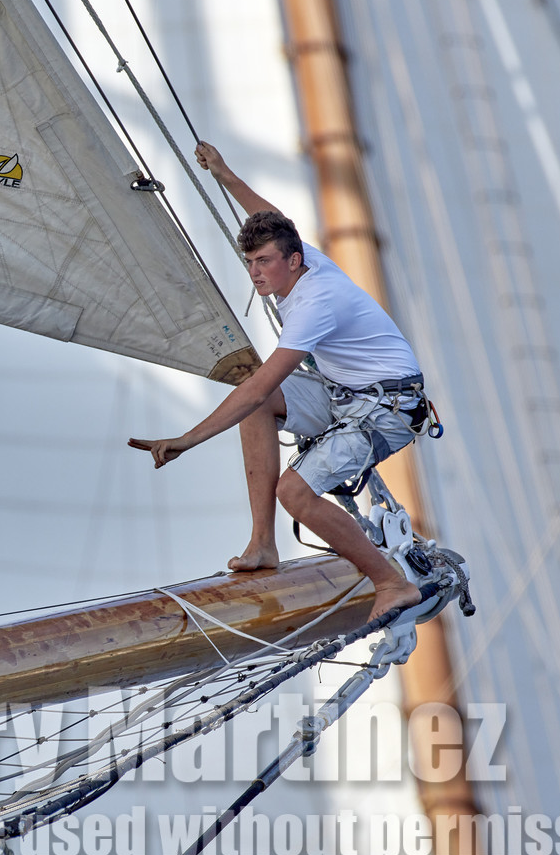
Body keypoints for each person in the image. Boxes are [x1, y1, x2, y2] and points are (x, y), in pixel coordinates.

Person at [130, 142, 428, 620]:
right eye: (249, 263)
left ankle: (391, 583)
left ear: (292, 261)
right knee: (261, 402)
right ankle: (262, 544)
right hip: (342, 393)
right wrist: (224, 174)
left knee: (293, 489)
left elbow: (255, 385)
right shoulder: (300, 258)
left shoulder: (315, 303)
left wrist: (188, 440)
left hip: (386, 410)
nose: (255, 273)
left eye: (264, 262)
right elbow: (270, 215)